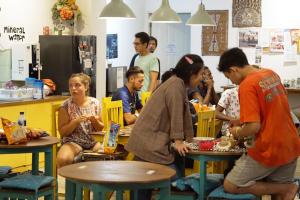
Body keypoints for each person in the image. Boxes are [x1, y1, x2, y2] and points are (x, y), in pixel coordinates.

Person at [218, 47, 300, 199]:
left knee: (231, 185)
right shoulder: (270, 74)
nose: (231, 81)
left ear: (233, 70)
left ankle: (288, 188)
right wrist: (241, 120)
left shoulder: (247, 85)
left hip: (268, 148)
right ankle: (287, 189)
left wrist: (237, 132)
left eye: (229, 77)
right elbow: (272, 108)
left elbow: (253, 127)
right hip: (290, 143)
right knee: (278, 192)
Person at [125, 54, 205, 200]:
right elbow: (176, 114)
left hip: (150, 141)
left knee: (147, 184)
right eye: (200, 74)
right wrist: (179, 141)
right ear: (191, 74)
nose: (202, 78)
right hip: (149, 143)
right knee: (173, 180)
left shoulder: (177, 83)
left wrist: (187, 140)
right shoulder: (175, 85)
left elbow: (182, 113)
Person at [56, 73, 104, 168]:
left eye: (77, 85)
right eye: (71, 86)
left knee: (105, 156)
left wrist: (94, 121)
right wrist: (75, 122)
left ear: (86, 87)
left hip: (93, 142)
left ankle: (93, 182)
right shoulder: (65, 106)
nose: (73, 88)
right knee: (63, 159)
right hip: (73, 142)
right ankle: (70, 182)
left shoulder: (95, 103)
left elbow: (101, 128)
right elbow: (62, 132)